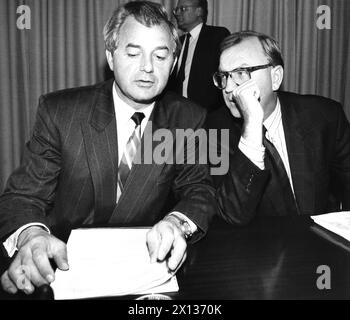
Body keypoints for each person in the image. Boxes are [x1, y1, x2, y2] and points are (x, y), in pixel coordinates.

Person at [0, 1, 217, 295]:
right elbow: (24, 195)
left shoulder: (189, 118)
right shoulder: (60, 112)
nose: (147, 68)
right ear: (111, 57)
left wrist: (177, 223)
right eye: (132, 53)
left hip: (144, 271)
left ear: (174, 63)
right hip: (62, 268)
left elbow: (199, 189)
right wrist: (32, 236)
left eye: (161, 55)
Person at [206, 30, 350, 225]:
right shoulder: (214, 130)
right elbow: (232, 214)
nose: (229, 88)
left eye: (241, 73)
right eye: (224, 76)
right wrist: (252, 126)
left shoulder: (324, 116)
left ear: (275, 77)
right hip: (258, 250)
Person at [167, 0, 230, 112]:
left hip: (209, 115)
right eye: (176, 10)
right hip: (178, 113)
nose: (177, 13)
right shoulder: (177, 42)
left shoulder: (217, 36)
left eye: (183, 9)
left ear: (199, 11)